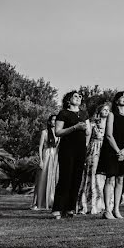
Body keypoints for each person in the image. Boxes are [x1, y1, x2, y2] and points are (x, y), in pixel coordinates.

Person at [98, 91, 124, 220]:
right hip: (111, 149)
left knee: (120, 179)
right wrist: (117, 151)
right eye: (122, 97)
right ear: (116, 100)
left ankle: (116, 209)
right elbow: (108, 134)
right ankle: (107, 210)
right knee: (110, 179)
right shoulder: (111, 114)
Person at [51, 91, 89, 219]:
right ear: (68, 99)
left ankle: (70, 208)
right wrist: (75, 127)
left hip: (81, 149)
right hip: (67, 149)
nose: (78, 98)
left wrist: (86, 131)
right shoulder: (63, 113)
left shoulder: (84, 113)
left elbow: (88, 132)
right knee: (65, 178)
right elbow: (58, 132)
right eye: (75, 96)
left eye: (80, 96)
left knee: (77, 178)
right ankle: (57, 209)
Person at [77, 102, 109, 214]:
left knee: (103, 176)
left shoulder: (110, 124)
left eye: (108, 110)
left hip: (105, 151)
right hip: (94, 150)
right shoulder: (93, 124)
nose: (106, 111)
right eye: (104, 109)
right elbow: (87, 140)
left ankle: (103, 204)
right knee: (91, 175)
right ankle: (89, 205)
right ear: (99, 111)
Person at [30, 114, 60, 211]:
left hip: (55, 155)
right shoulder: (45, 132)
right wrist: (41, 160)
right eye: (53, 120)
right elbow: (40, 146)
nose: (54, 122)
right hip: (46, 154)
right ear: (49, 121)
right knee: (43, 178)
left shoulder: (58, 132)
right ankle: (39, 202)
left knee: (53, 178)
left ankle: (52, 200)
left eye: (56, 120)